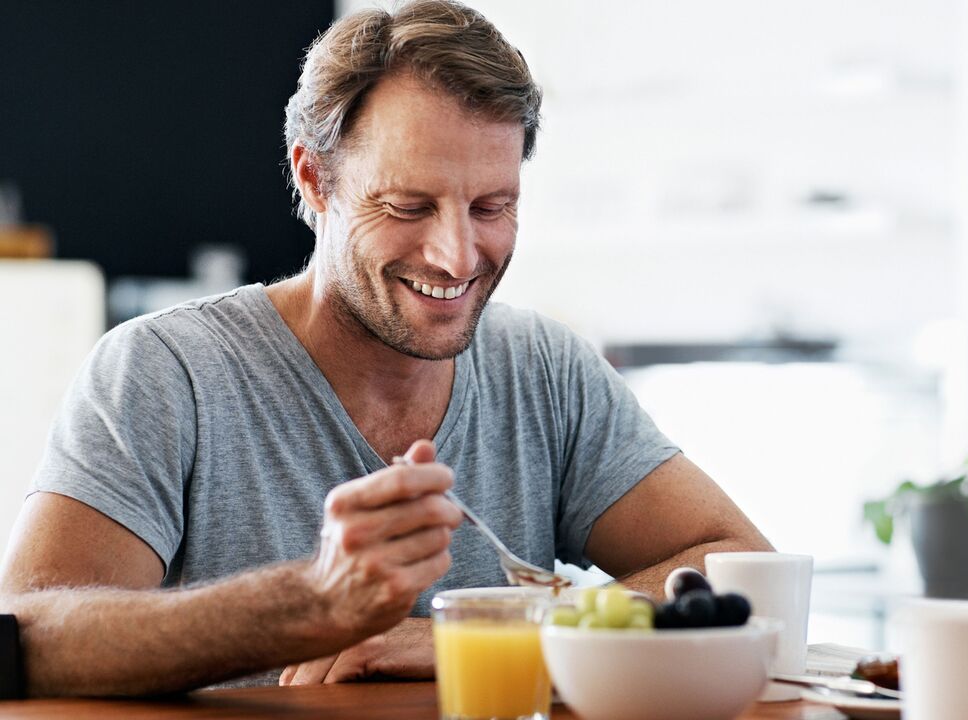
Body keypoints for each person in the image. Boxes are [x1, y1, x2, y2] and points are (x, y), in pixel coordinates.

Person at [0, 0, 772, 697]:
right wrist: (311, 603)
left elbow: (738, 563)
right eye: (409, 205)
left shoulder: (545, 370)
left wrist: (483, 636)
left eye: (492, 206)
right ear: (314, 181)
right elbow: (29, 636)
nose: (457, 255)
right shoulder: (167, 372)